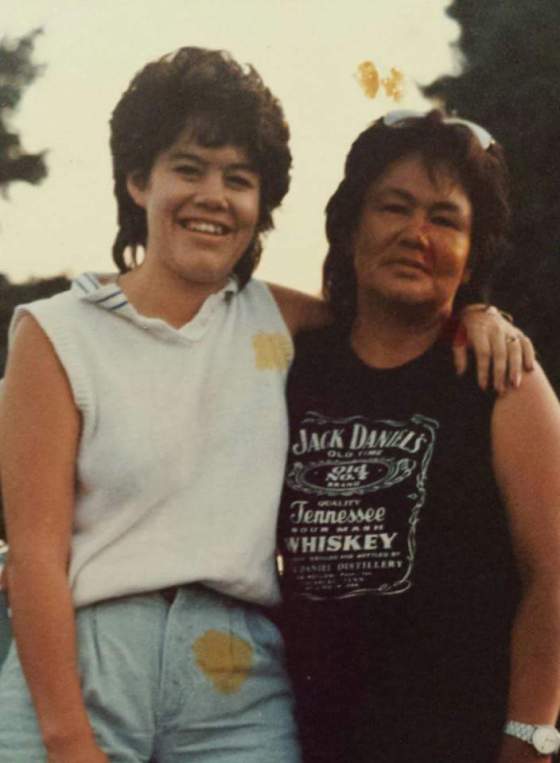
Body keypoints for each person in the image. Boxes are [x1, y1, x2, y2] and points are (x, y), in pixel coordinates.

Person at [0, 47, 532, 763]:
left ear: (262, 203)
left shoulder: (277, 321)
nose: (213, 196)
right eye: (187, 167)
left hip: (237, 674)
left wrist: (473, 311)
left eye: (239, 179)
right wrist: (66, 737)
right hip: (89, 664)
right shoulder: (56, 332)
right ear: (137, 180)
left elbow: (392, 315)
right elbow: (33, 554)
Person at [277, 110, 560, 763]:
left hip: (462, 741)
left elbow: (551, 576)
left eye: (445, 218)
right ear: (351, 225)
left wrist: (531, 738)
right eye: (393, 207)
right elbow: (216, 293)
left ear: (474, 249)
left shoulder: (503, 377)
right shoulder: (293, 363)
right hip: (298, 740)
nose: (415, 233)